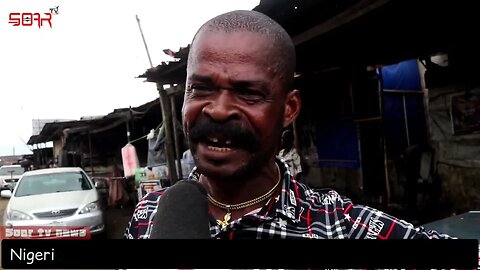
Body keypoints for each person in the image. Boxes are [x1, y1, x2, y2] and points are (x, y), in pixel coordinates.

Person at [124, 10, 453, 240]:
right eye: (201, 88)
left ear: (289, 108)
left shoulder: (341, 228)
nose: (219, 111)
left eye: (248, 93)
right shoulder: (148, 216)